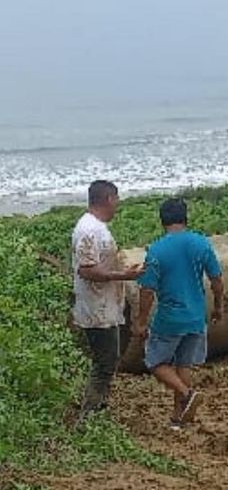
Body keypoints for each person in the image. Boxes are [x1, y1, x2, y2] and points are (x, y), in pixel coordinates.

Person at [133, 198, 224, 430]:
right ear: (185, 218)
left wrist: (141, 321)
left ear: (162, 221)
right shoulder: (201, 243)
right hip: (196, 317)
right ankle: (179, 418)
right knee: (184, 365)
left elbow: (147, 290)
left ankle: (187, 393)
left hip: (170, 319)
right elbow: (216, 280)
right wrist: (218, 306)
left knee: (154, 362)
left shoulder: (156, 250)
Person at [71, 180, 144, 419]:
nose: (118, 204)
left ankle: (98, 406)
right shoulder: (89, 230)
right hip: (97, 309)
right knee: (105, 363)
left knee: (108, 360)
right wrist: (123, 275)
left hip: (103, 306)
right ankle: (90, 414)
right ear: (109, 199)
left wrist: (121, 271)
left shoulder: (95, 227)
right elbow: (87, 270)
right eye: (117, 199)